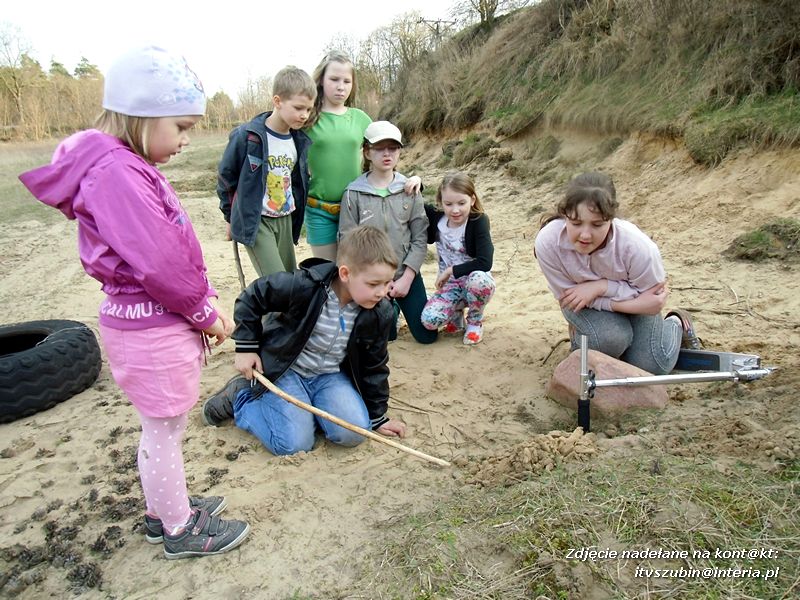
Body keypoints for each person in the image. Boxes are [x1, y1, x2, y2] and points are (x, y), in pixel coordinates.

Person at [18, 46, 250, 559]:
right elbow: (160, 261)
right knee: (163, 430)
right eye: (181, 126)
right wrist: (205, 313)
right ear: (144, 115)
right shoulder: (117, 173)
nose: (186, 140)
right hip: (152, 325)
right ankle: (178, 528)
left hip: (147, 322)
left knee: (162, 427)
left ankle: (165, 508)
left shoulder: (119, 165)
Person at [202, 225, 407, 456]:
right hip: (287, 371)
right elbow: (252, 297)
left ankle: (304, 414)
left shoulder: (379, 312)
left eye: (387, 283)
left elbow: (374, 366)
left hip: (329, 375)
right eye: (373, 284)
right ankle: (241, 398)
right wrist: (246, 347)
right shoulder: (305, 286)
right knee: (293, 445)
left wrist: (377, 417)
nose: (381, 292)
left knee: (354, 433)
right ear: (345, 274)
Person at [534, 172, 701, 375]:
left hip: (636, 306)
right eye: (576, 223)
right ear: (564, 215)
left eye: (597, 225)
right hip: (585, 305)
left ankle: (676, 322)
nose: (585, 235)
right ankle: (587, 339)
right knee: (610, 338)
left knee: (653, 366)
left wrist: (601, 287)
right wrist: (613, 299)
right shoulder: (548, 242)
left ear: (611, 219)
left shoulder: (639, 248)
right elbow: (569, 297)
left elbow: (650, 299)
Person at [303, 51, 420, 261]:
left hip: (359, 207)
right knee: (326, 272)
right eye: (334, 79)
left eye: (346, 81)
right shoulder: (308, 118)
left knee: (359, 268)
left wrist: (410, 179)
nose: (341, 86)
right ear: (321, 80)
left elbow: (384, 152)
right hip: (319, 210)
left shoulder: (361, 118)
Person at [338, 121, 436, 344]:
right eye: (379, 148)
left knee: (427, 336)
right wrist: (373, 282)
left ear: (399, 152)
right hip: (371, 280)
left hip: (405, 275)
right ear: (367, 152)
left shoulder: (410, 189)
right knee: (387, 335)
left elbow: (420, 238)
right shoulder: (353, 193)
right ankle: (391, 310)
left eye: (393, 148)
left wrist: (407, 278)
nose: (387, 154)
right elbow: (347, 243)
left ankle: (401, 305)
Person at [217, 66, 315, 279]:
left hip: (285, 217)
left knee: (291, 280)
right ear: (278, 101)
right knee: (277, 284)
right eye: (298, 108)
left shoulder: (299, 141)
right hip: (257, 220)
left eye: (309, 109)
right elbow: (226, 178)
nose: (304, 115)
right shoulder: (247, 136)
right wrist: (230, 216)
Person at [421, 172, 495, 345]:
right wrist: (417, 181)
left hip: (473, 281)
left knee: (480, 281)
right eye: (448, 204)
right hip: (450, 286)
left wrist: (451, 271)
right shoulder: (437, 218)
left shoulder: (478, 221)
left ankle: (475, 322)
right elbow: (415, 199)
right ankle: (456, 314)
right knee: (429, 321)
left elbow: (485, 262)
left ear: (472, 200)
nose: (455, 210)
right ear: (441, 202)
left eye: (461, 203)